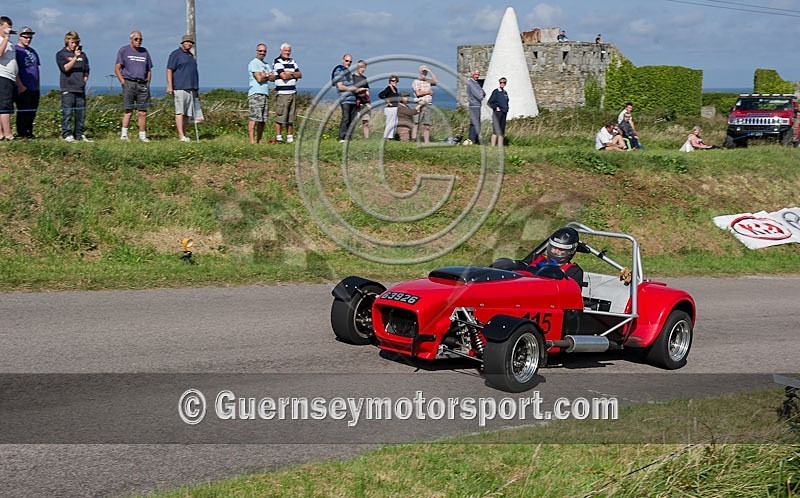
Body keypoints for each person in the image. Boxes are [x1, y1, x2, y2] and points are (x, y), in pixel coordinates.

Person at [115, 30, 153, 142]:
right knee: (128, 110)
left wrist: (147, 82)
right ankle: (124, 135)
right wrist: (123, 81)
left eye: (140, 39)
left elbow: (149, 69)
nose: (138, 41)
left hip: (142, 84)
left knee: (143, 111)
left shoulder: (145, 52)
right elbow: (117, 67)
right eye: (136, 39)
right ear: (131, 39)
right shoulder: (123, 50)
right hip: (129, 82)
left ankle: (142, 135)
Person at [56, 30, 91, 142]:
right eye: (72, 42)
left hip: (80, 88)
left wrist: (84, 81)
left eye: (76, 42)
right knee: (67, 113)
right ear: (67, 42)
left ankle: (79, 134)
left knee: (80, 114)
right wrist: (75, 58)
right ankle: (67, 134)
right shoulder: (61, 54)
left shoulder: (83, 55)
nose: (74, 45)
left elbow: (86, 70)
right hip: (67, 88)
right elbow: (65, 68)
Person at [166, 34, 199, 143]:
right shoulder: (175, 54)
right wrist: (170, 85)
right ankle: (181, 136)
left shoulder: (191, 56)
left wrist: (196, 89)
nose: (188, 44)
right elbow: (169, 69)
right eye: (187, 42)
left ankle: (184, 134)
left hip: (191, 88)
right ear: (183, 43)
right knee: (180, 112)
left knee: (187, 113)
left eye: (190, 42)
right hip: (179, 87)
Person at [272, 42, 301, 144]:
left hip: (292, 92)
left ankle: (290, 137)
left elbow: (300, 74)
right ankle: (279, 137)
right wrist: (293, 74)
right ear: (281, 51)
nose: (287, 53)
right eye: (285, 51)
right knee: (280, 116)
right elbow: (283, 76)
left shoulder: (293, 61)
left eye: (289, 51)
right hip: (282, 93)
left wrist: (290, 74)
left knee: (291, 117)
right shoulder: (277, 62)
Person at [14, 27, 39, 139]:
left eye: (30, 37)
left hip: (34, 86)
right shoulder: (16, 50)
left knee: (32, 111)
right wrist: (20, 85)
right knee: (23, 110)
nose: (28, 39)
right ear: (20, 36)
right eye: (25, 37)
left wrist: (38, 85)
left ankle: (29, 132)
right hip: (23, 86)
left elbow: (36, 68)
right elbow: (14, 69)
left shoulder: (33, 51)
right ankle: (22, 133)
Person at [247, 43, 275, 144]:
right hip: (255, 93)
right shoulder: (254, 63)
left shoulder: (266, 65)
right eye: (260, 51)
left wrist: (265, 75)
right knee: (254, 117)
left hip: (265, 93)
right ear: (256, 51)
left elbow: (273, 78)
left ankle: (259, 140)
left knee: (263, 119)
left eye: (264, 51)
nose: (262, 53)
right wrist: (267, 76)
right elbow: (259, 78)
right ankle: (252, 140)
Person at [332, 54, 357, 142]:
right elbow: (340, 86)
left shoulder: (348, 72)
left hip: (353, 98)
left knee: (351, 119)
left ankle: (348, 138)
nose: (348, 63)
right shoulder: (338, 70)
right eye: (347, 61)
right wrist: (352, 89)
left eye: (350, 62)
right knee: (346, 118)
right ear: (343, 60)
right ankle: (341, 137)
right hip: (344, 99)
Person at [0, 16, 17, 141]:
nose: (9, 30)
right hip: (2, 76)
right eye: (7, 27)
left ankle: (1, 134)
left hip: (10, 78)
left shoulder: (10, 44)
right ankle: (7, 134)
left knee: (5, 105)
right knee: (4, 106)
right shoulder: (2, 40)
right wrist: (5, 38)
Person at [412, 65, 437, 143]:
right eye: (423, 72)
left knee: (427, 125)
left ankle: (426, 142)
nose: (424, 73)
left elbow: (436, 81)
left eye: (425, 72)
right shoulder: (416, 81)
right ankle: (414, 140)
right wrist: (428, 92)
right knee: (416, 123)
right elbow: (418, 93)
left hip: (427, 104)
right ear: (420, 72)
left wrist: (430, 71)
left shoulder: (428, 81)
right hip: (419, 104)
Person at [487, 77, 509, 147]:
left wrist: (507, 108)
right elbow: (490, 102)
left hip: (504, 112)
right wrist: (496, 107)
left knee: (502, 131)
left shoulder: (505, 92)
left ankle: (500, 146)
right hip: (497, 113)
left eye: (504, 82)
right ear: (499, 83)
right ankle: (493, 146)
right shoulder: (496, 91)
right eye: (501, 82)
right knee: (496, 130)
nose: (502, 84)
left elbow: (506, 102)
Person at [352, 59, 370, 139]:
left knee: (366, 122)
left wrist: (369, 101)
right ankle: (350, 137)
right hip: (355, 102)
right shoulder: (352, 78)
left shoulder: (364, 78)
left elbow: (367, 90)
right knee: (353, 121)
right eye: (361, 67)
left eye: (364, 67)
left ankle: (367, 138)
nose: (363, 69)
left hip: (364, 102)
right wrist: (357, 90)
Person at [378, 75, 400, 140]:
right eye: (393, 81)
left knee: (394, 123)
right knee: (389, 122)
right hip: (390, 108)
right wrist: (387, 101)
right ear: (390, 81)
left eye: (396, 81)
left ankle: (391, 136)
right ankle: (386, 137)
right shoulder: (388, 88)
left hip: (395, 107)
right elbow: (381, 95)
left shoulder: (395, 89)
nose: (394, 82)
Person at [466, 69, 485, 144]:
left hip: (477, 105)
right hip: (474, 105)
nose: (477, 76)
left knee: (477, 122)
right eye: (476, 74)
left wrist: (481, 93)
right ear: (472, 74)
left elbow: (483, 92)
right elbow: (479, 96)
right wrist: (481, 93)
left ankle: (474, 139)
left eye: (478, 74)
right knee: (474, 122)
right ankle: (472, 139)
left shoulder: (475, 83)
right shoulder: (471, 83)